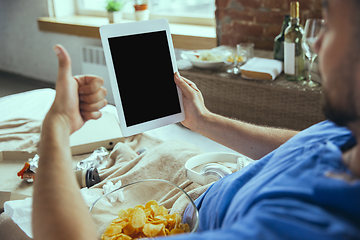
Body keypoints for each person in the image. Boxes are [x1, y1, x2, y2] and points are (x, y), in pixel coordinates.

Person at [32, 0, 360, 239]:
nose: (315, 42)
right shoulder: (350, 132)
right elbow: (304, 143)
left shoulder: (300, 225)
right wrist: (203, 120)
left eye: (330, 27)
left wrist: (57, 129)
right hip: (203, 192)